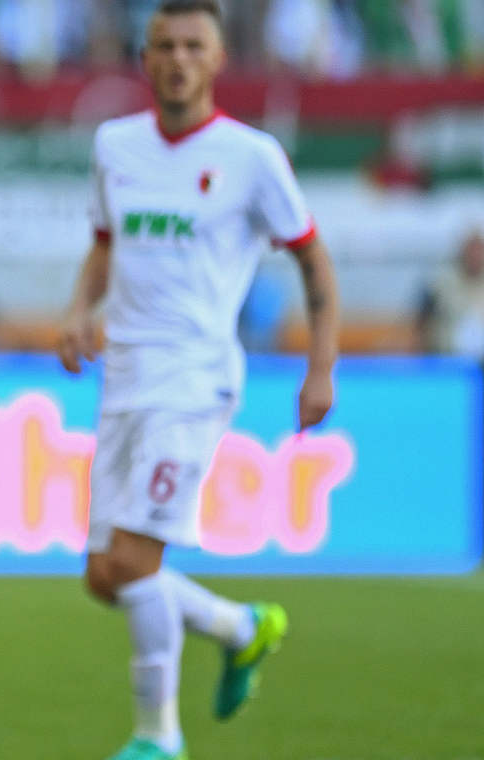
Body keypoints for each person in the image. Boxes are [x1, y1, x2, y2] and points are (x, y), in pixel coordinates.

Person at [56, 2, 340, 759]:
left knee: (136, 565)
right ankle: (240, 628)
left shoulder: (253, 157)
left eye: (194, 46)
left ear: (217, 60)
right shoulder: (115, 145)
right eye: (165, 45)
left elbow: (313, 261)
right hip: (125, 377)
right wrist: (80, 309)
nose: (178, 58)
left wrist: (321, 367)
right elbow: (105, 242)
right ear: (144, 59)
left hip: (195, 380)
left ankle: (158, 738)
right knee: (102, 575)